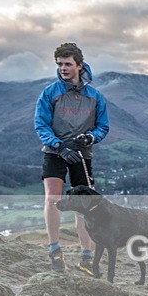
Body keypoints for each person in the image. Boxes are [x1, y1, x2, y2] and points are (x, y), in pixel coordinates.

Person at [35, 42, 109, 273]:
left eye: (68, 64)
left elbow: (103, 127)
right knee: (52, 199)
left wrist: (90, 138)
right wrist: (57, 145)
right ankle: (54, 250)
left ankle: (86, 256)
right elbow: (41, 124)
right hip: (55, 152)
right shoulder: (50, 93)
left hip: (81, 154)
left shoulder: (95, 96)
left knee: (83, 206)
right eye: (59, 64)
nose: (63, 69)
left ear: (79, 65)